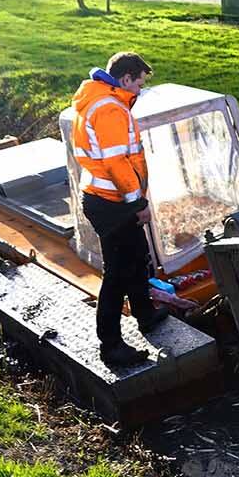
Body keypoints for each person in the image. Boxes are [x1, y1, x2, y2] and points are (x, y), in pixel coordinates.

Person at [72, 52, 169, 367]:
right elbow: (116, 162)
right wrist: (137, 203)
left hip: (106, 198)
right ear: (126, 79)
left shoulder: (100, 100)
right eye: (139, 83)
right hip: (112, 203)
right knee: (117, 275)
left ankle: (146, 314)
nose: (140, 91)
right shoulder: (111, 108)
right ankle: (111, 346)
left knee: (138, 256)